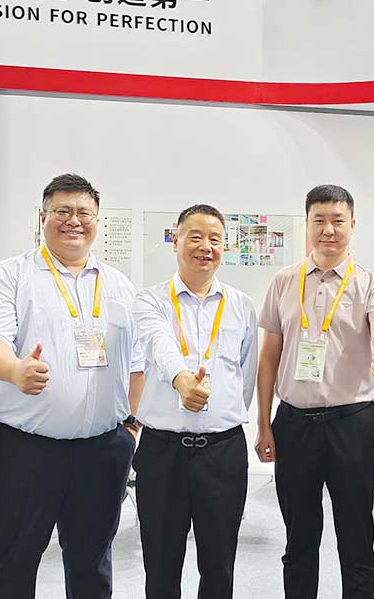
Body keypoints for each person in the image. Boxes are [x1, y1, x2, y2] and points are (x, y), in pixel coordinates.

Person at [0, 174, 144, 599]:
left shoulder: (118, 285)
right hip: (26, 451)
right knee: (14, 563)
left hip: (103, 450)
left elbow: (137, 363)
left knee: (92, 564)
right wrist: (14, 370)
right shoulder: (10, 276)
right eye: (62, 211)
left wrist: (130, 426)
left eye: (84, 212)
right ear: (43, 217)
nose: (74, 221)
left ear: (97, 220)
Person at [254, 184, 374, 599]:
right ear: (307, 224)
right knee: (299, 539)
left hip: (351, 424)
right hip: (294, 423)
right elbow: (269, 357)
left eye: (338, 220)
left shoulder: (371, 284)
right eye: (319, 220)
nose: (329, 229)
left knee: (356, 538)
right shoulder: (283, 281)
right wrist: (263, 423)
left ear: (353, 225)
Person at [131, 203, 258, 599]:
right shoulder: (150, 301)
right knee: (161, 564)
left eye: (215, 239)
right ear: (176, 241)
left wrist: (222, 414)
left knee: (219, 565)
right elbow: (161, 345)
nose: (206, 247)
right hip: (162, 452)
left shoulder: (241, 305)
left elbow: (246, 375)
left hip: (222, 452)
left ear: (225, 247)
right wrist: (182, 380)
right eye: (196, 237)